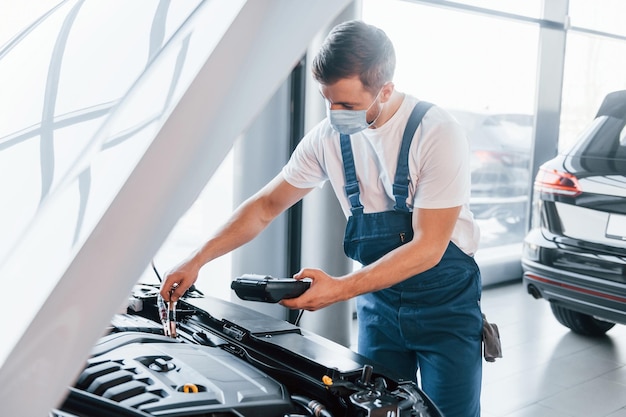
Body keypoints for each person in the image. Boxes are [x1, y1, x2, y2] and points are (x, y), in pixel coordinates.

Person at [160, 19, 483, 417]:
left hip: (445, 306)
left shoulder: (436, 133)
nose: (334, 114)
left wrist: (339, 289)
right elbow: (265, 206)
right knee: (371, 410)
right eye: (328, 101)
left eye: (347, 105)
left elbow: (428, 248)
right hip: (379, 306)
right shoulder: (327, 138)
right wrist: (198, 258)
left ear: (385, 89)